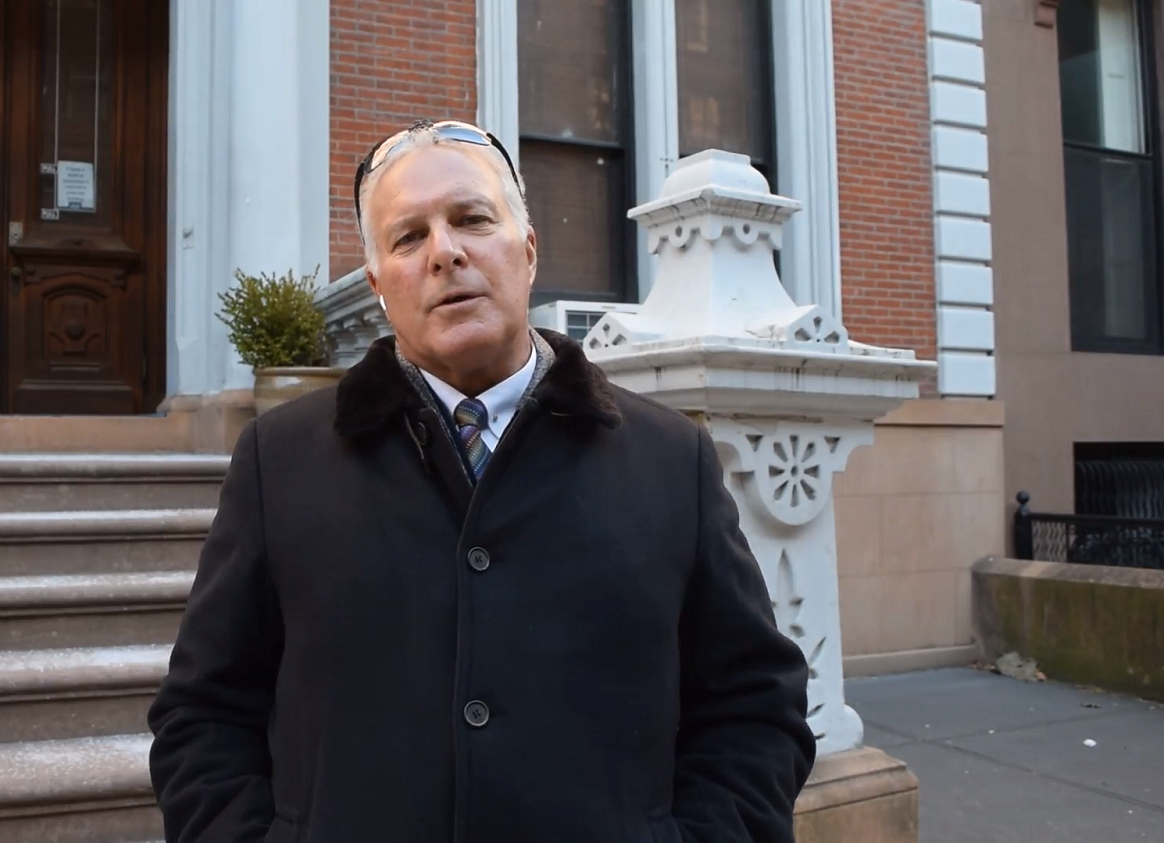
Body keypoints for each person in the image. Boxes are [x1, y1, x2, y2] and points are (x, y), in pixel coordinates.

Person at [147, 118, 816, 843]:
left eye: (472, 219)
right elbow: (203, 713)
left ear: (526, 251)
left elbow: (755, 707)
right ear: (379, 285)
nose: (445, 252)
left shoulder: (670, 459)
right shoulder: (279, 462)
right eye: (409, 237)